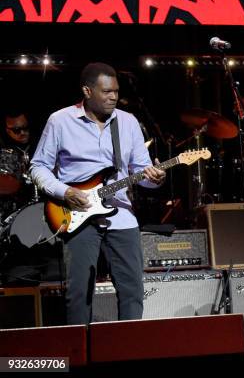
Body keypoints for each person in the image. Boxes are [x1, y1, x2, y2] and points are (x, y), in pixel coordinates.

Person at [30, 62, 166, 324]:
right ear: (87, 91)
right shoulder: (60, 121)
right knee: (79, 293)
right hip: (77, 215)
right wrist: (65, 191)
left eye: (115, 91)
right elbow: (38, 167)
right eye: (106, 92)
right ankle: (80, 357)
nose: (113, 96)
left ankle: (128, 351)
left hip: (122, 217)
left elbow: (141, 172)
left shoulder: (127, 122)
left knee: (133, 291)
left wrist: (155, 179)